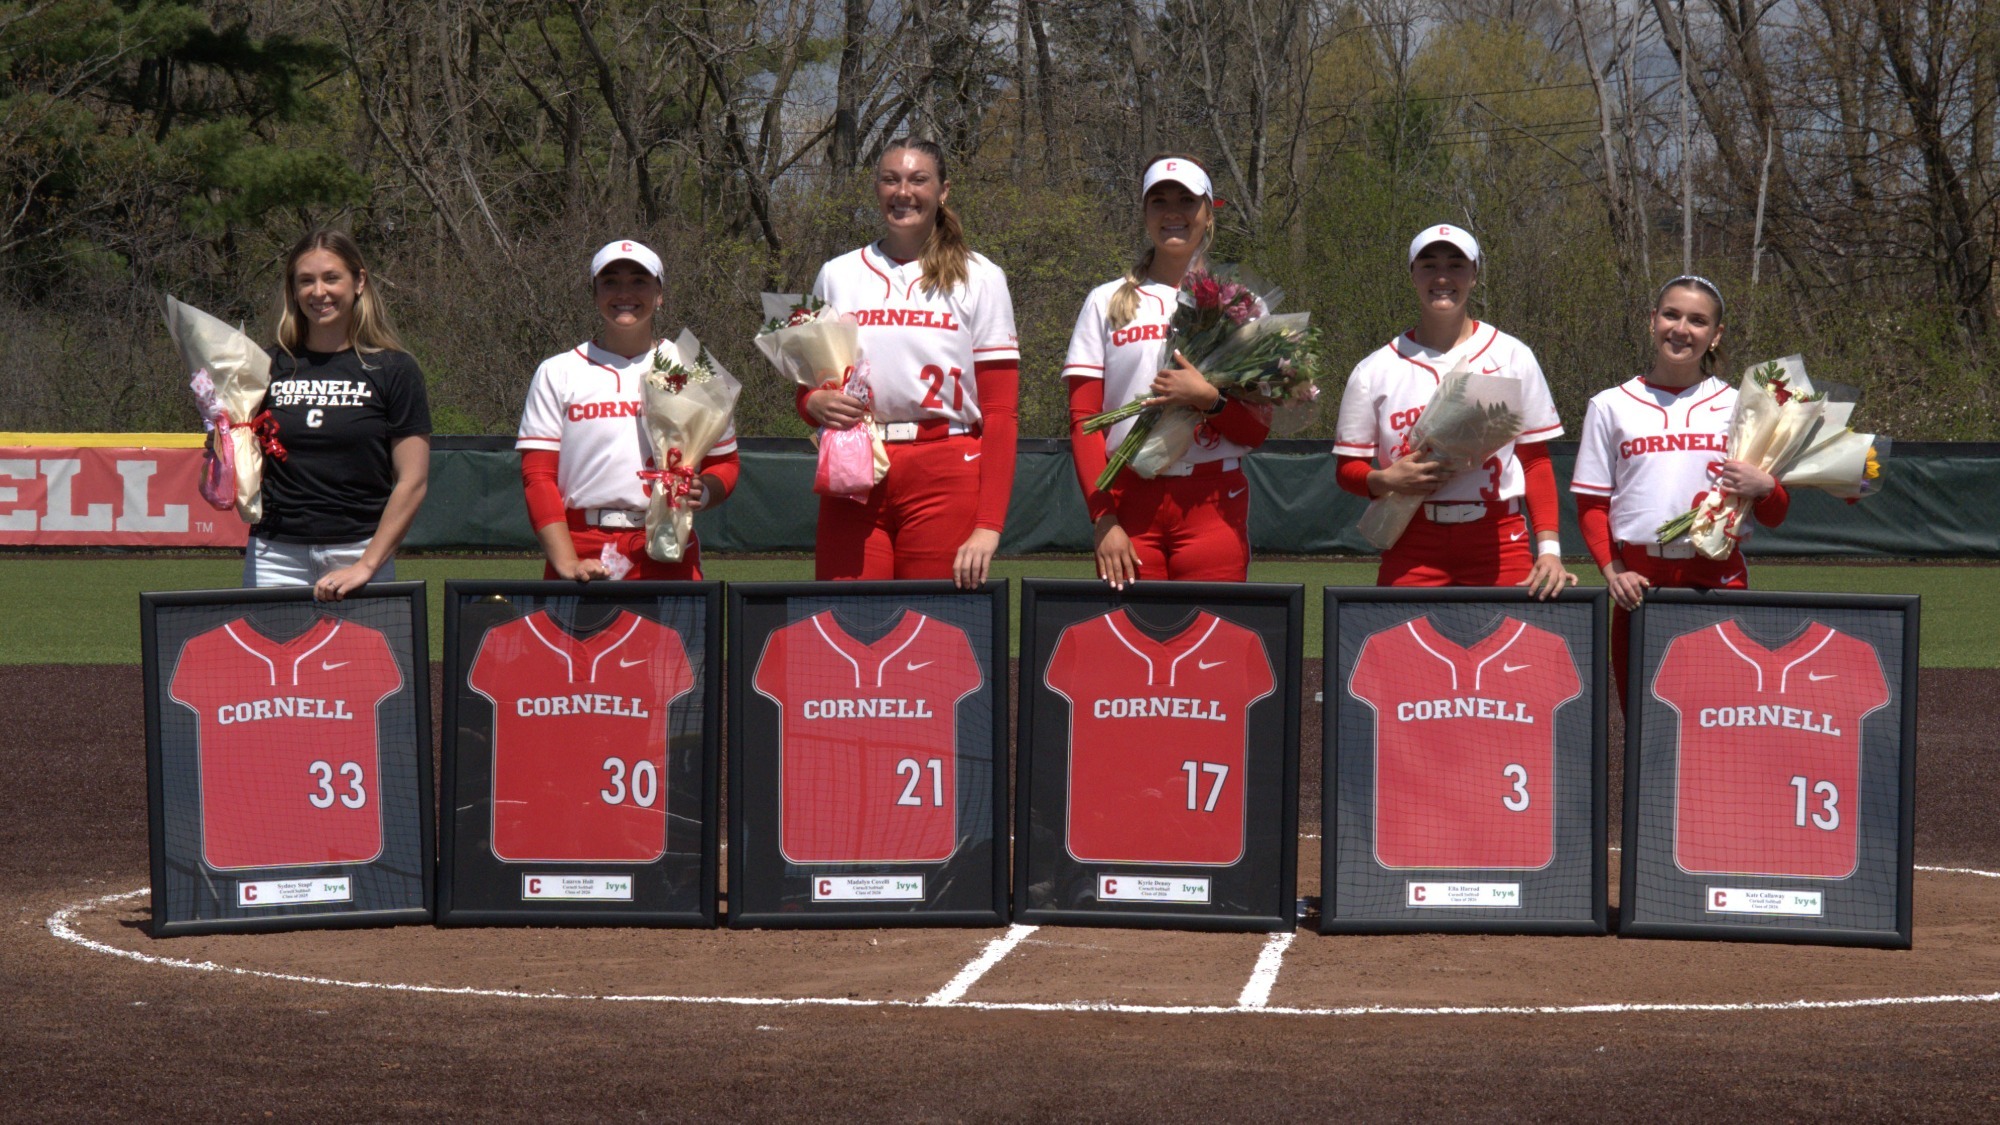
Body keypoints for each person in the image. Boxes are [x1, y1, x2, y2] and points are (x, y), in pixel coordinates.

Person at [799, 137, 1019, 588]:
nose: (903, 192)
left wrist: (989, 524)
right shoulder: (837, 274)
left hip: (946, 468)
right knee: (848, 624)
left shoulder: (981, 276)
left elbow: (1001, 413)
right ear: (877, 189)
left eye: (919, 179)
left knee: (937, 631)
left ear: (943, 191)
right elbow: (809, 388)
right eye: (890, 180)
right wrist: (813, 404)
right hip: (854, 467)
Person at [1571, 274, 1788, 701]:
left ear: (1716, 334)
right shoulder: (1610, 404)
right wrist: (1613, 573)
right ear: (1652, 320)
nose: (1681, 329)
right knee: (1642, 722)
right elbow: (1591, 505)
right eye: (1671, 315)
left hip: (1718, 579)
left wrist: (1766, 486)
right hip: (1640, 585)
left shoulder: (1743, 405)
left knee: (1719, 720)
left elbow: (1774, 514)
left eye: (1698, 320)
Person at [1061, 154, 1267, 588]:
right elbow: (1083, 422)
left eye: (1186, 201)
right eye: (1159, 201)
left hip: (1213, 501)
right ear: (1145, 214)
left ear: (1209, 214)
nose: (1173, 212)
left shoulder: (1242, 305)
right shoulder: (1106, 301)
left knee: (1215, 643)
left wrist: (1208, 399)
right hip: (1130, 501)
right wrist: (1103, 519)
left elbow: (1255, 432)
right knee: (1130, 646)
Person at [1333, 224, 1573, 595]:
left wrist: (1551, 550)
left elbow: (1535, 461)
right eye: (1428, 265)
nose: (1442, 277)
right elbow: (1347, 469)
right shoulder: (1375, 369)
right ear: (1412, 274)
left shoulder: (1511, 355)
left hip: (1498, 540)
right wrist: (1384, 480)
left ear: (1474, 275)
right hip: (1412, 538)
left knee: (1512, 651)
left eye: (1456, 265)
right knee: (1402, 650)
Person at [516, 240, 738, 582]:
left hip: (666, 542)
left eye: (639, 281)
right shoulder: (557, 371)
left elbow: (726, 464)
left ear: (660, 294)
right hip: (579, 545)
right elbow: (538, 477)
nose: (624, 292)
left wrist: (703, 490)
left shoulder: (693, 368)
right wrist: (567, 562)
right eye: (610, 281)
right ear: (594, 294)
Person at [247, 229, 430, 600]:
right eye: (306, 281)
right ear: (293, 290)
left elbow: (413, 480)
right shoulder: (263, 366)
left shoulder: (394, 369)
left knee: (360, 661)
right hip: (275, 555)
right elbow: (243, 462)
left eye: (331, 277)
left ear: (358, 281)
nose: (319, 292)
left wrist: (367, 565)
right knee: (274, 660)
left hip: (361, 550)